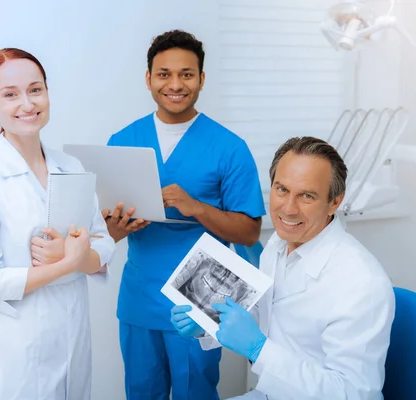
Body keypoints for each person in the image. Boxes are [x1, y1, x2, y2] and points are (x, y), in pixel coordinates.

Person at [103, 30, 266, 399]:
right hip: (140, 297)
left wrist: (196, 207)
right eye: (163, 74)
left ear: (201, 79)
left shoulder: (229, 147)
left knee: (196, 390)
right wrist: (117, 228)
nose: (175, 84)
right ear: (148, 79)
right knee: (142, 391)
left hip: (202, 296)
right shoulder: (122, 142)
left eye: (187, 74)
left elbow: (249, 233)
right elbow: (106, 233)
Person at [171, 136, 395, 399]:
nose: (288, 209)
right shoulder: (279, 244)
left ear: (334, 202)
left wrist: (258, 349)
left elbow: (353, 394)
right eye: (282, 190)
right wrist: (208, 322)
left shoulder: (361, 282)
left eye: (307, 196)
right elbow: (270, 317)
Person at [0, 48, 115, 400]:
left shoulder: (71, 167)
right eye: (10, 94)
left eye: (35, 89)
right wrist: (69, 263)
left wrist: (78, 254)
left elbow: (103, 243)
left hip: (74, 344)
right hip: (18, 360)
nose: (27, 103)